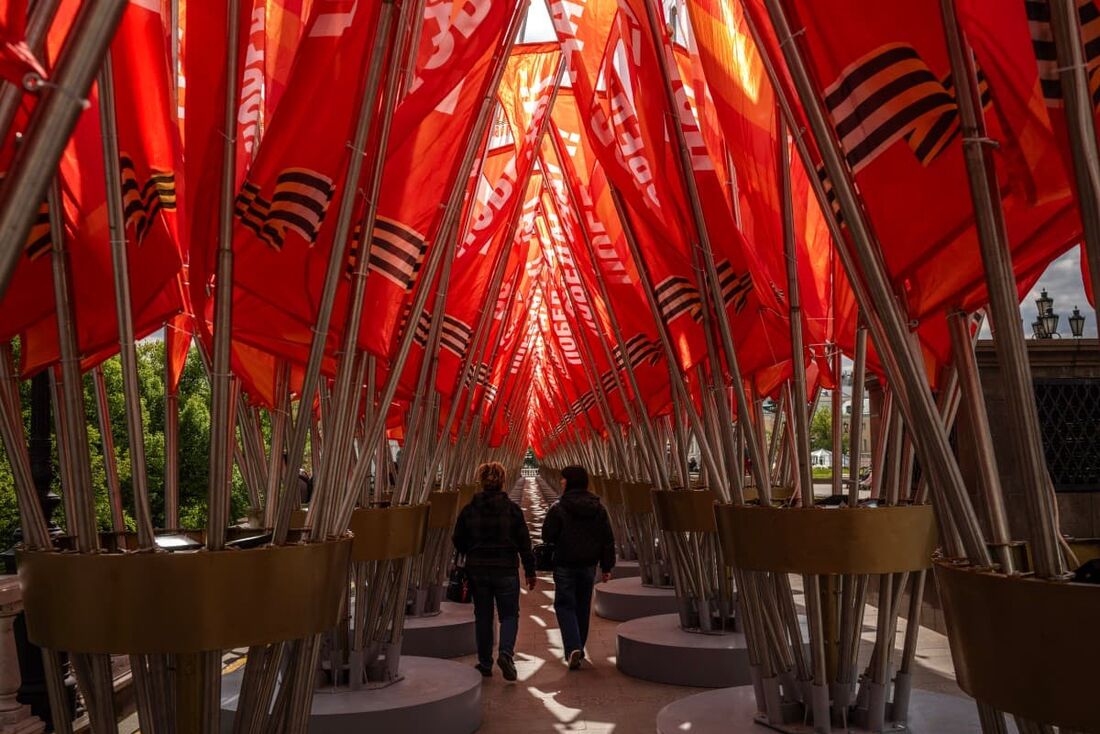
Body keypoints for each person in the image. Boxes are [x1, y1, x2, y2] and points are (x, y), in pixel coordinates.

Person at [452, 461, 536, 681]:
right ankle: (506, 653)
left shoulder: (470, 509)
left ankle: (485, 663)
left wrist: (471, 548)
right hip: (506, 568)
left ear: (481, 481)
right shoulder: (512, 509)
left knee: (483, 616)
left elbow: (458, 539)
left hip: (478, 570)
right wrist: (530, 570)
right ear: (502, 481)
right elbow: (524, 542)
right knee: (509, 614)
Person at [541, 465, 616, 670]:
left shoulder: (559, 507)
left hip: (565, 563)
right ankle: (578, 648)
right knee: (583, 606)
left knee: (564, 605)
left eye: (563, 479)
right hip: (588, 564)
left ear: (570, 481)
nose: (561, 482)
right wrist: (607, 565)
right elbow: (607, 539)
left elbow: (547, 535)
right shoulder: (597, 507)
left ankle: (573, 646)